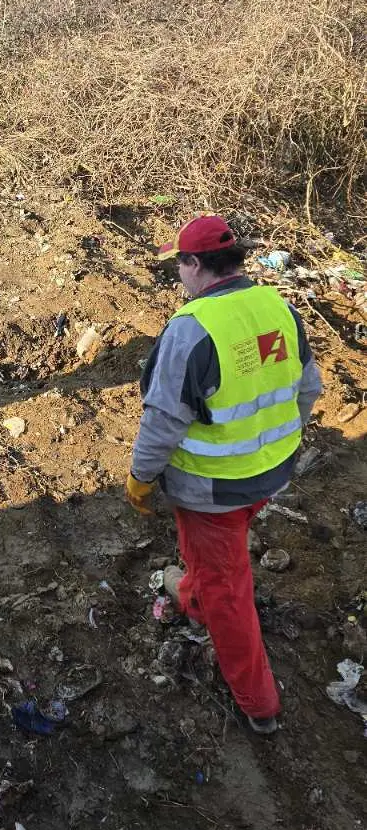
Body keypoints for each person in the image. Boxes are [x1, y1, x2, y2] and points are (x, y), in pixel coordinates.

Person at [125, 215, 322, 735]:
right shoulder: (277, 306)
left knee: (228, 592)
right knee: (212, 565)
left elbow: (164, 420)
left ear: (194, 265)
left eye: (179, 265)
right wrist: (277, 442)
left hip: (212, 493)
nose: (179, 277)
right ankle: (191, 597)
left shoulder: (192, 328)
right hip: (272, 474)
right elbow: (308, 388)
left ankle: (259, 704)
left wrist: (141, 477)